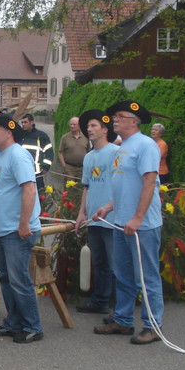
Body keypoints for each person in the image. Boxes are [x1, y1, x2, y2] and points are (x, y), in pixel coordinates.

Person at [93, 100, 164, 345]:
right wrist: (108, 207)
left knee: (147, 277)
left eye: (120, 116)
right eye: (115, 116)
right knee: (122, 274)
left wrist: (138, 218)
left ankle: (152, 326)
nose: (115, 120)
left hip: (142, 226)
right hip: (122, 222)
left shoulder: (146, 145)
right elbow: (126, 185)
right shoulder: (122, 147)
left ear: (134, 121)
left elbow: (149, 182)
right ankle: (123, 320)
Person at [0, 113, 44, 343]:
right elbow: (3, 192)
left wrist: (24, 223)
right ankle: (14, 322)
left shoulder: (18, 155)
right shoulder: (2, 156)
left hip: (17, 230)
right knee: (7, 278)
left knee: (19, 280)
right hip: (5, 228)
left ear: (9, 132)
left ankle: (32, 326)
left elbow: (29, 189)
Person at [74, 110, 119, 314]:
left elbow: (122, 184)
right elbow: (87, 187)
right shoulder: (89, 157)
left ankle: (119, 307)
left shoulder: (115, 153)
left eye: (93, 126)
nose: (89, 129)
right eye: (88, 126)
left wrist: (110, 206)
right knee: (99, 262)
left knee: (114, 264)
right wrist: (81, 213)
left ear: (105, 129)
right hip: (93, 218)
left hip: (111, 219)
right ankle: (100, 302)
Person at [19, 113, 53, 191]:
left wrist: (46, 167)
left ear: (32, 122)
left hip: (37, 174)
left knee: (40, 194)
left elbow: (49, 152)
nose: (23, 124)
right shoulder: (19, 136)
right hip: (21, 173)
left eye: (25, 122)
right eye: (22, 122)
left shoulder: (41, 136)